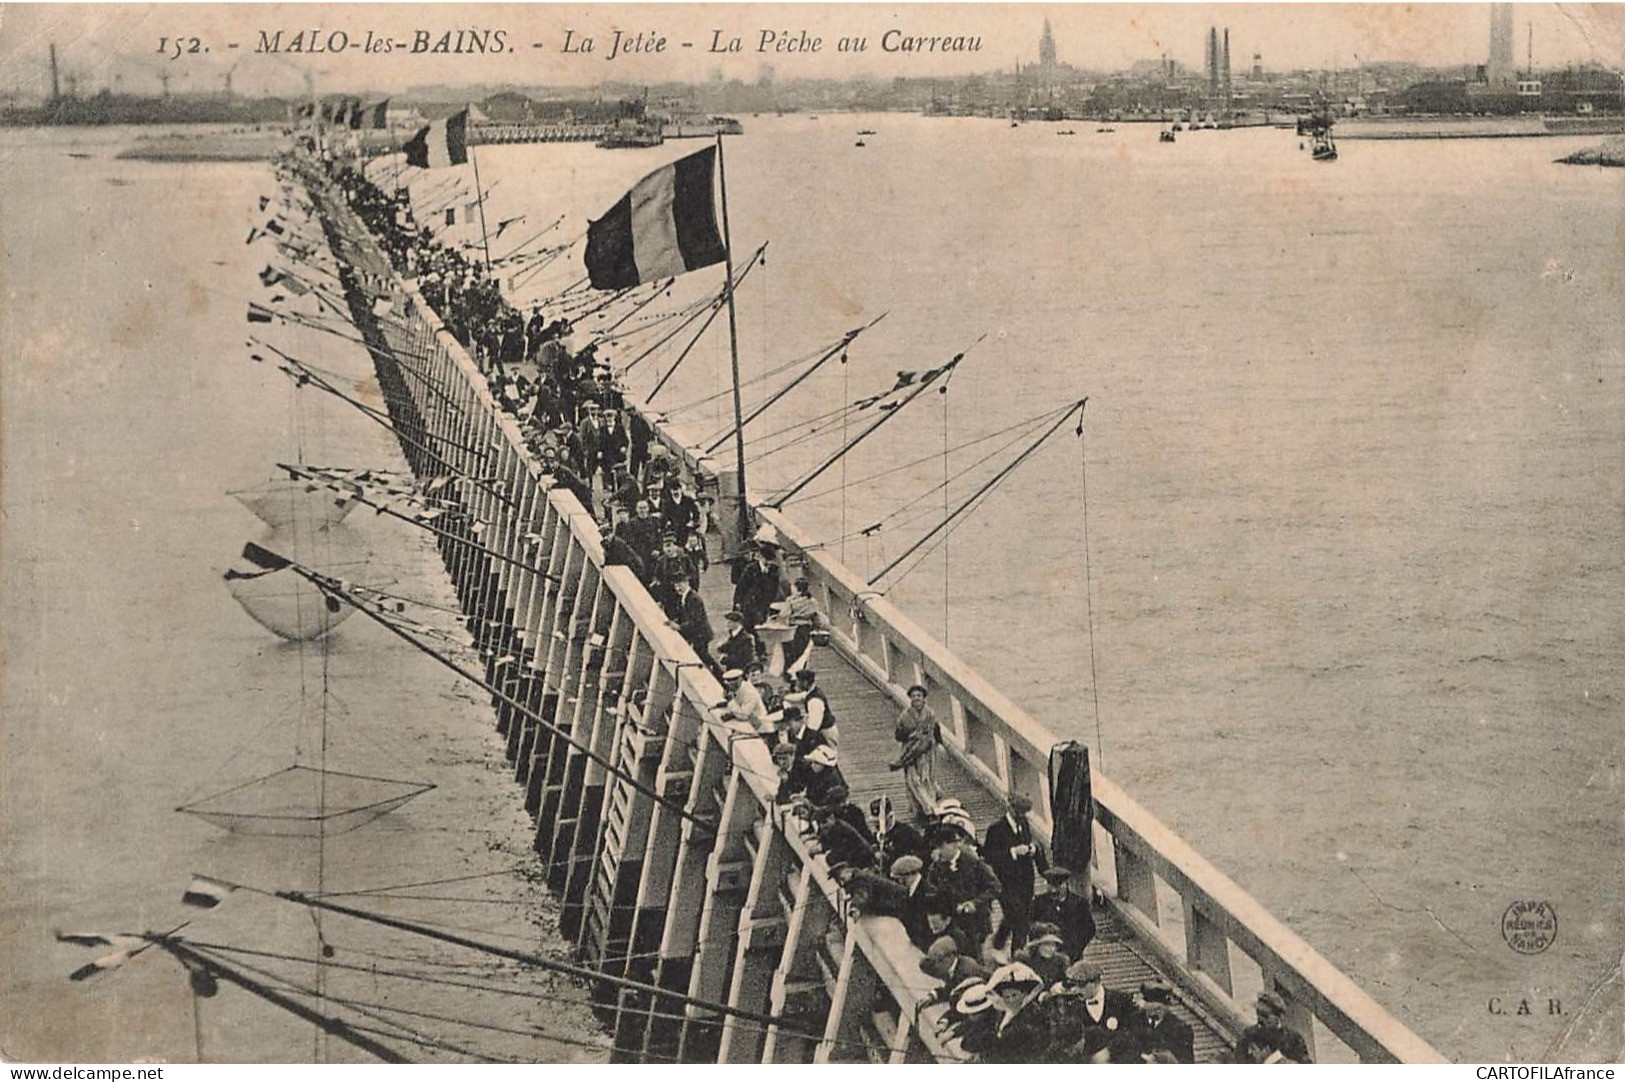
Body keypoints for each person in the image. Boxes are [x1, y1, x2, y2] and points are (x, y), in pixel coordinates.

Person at [982, 793, 1048, 951]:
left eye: (1024, 813)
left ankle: (998, 941)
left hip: (1025, 882)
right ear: (1010, 808)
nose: (1021, 816)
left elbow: (1030, 843)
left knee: (1016, 915)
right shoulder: (996, 829)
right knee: (1021, 923)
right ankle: (1018, 955)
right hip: (1006, 884)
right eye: (1019, 812)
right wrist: (1012, 852)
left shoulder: (1024, 823)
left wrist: (1032, 849)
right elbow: (989, 856)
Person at [1045, 959, 1141, 1063]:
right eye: (1073, 984)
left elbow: (1136, 1033)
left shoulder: (1122, 1000)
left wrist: (1109, 1051)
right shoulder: (1072, 1008)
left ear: (1096, 982)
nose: (1076, 989)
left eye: (1081, 985)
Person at [889, 684, 943, 822]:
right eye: (913, 696)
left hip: (927, 753)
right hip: (910, 752)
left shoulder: (930, 714)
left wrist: (939, 743)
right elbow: (898, 735)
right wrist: (912, 736)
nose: (916, 699)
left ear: (924, 698)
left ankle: (929, 807)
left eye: (919, 696)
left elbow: (935, 730)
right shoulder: (904, 716)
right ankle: (925, 808)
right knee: (913, 780)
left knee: (927, 778)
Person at [1031, 866, 1096, 961]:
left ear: (1067, 884)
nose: (1053, 890)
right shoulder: (1039, 902)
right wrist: (1041, 927)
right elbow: (1029, 925)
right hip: (1046, 957)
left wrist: (1076, 947)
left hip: (1071, 955)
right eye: (1050, 885)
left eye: (1058, 885)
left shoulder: (1079, 903)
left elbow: (1089, 930)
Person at [1233, 990, 1312, 1064]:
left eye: (1265, 1016)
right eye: (1258, 1014)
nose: (1261, 1019)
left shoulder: (1293, 1039)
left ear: (1279, 1017)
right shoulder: (1249, 1036)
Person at [1130, 979, 1194, 1064]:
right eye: (1154, 1008)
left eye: (1162, 1007)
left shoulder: (1181, 1029)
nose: (1158, 1011)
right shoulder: (1131, 1021)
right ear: (1144, 1005)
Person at [667, 577, 716, 673]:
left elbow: (696, 621)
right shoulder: (685, 597)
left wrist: (679, 627)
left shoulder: (694, 599)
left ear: (687, 583)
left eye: (680, 585)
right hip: (697, 634)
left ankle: (719, 677)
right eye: (675, 586)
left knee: (703, 658)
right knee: (702, 657)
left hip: (701, 634)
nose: (678, 589)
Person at [777, 577, 824, 676]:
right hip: (806, 629)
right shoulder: (812, 600)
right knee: (803, 652)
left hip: (793, 629)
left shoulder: (791, 600)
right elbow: (816, 615)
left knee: (792, 651)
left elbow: (784, 614)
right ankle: (802, 671)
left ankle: (791, 672)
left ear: (796, 588)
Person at [714, 610, 760, 675]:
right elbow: (729, 645)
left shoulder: (746, 638)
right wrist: (720, 648)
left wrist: (724, 659)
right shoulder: (734, 634)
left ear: (737, 623)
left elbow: (740, 657)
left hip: (742, 670)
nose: (727, 624)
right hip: (734, 668)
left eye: (730, 622)